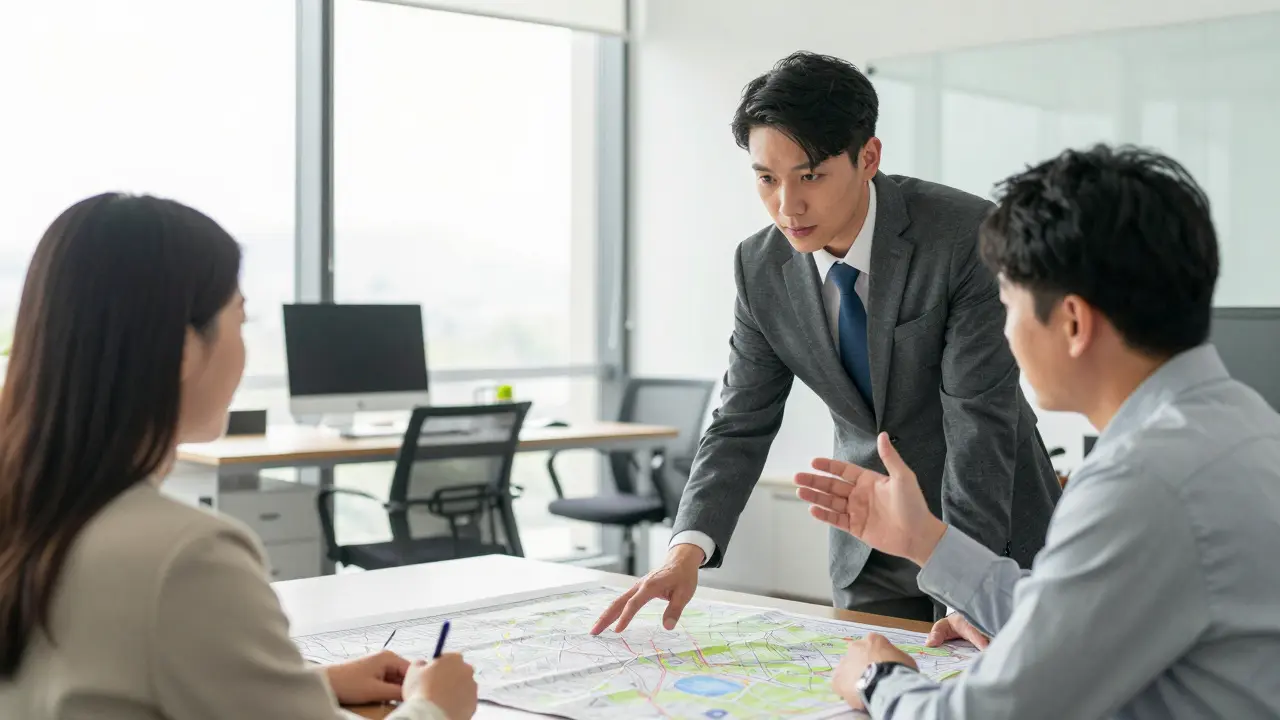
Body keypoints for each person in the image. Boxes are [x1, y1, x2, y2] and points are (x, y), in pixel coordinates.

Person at [797, 145, 1280, 718]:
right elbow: (1073, 615)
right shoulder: (1242, 423)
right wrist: (925, 539)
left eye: (1008, 304)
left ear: (1072, 323)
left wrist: (878, 679)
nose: (1004, 331)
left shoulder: (1140, 481)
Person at [593, 51, 1061, 630]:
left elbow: (978, 425)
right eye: (767, 179)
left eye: (810, 175)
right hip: (866, 544)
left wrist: (967, 586)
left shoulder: (963, 237)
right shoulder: (760, 265)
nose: (787, 207)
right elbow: (741, 419)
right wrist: (684, 552)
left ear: (868, 157)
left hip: (991, 536)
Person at [0, 194, 478, 720]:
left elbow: (103, 679)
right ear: (182, 350)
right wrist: (435, 706)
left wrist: (306, 683)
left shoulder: (32, 512)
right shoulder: (187, 556)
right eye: (241, 320)